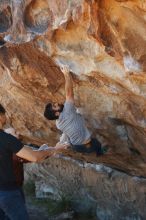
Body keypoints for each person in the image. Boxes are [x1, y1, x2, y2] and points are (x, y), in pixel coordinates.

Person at [0, 104, 65, 220]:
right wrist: (53, 149)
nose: (6, 117)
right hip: (7, 192)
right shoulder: (5, 138)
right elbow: (34, 157)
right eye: (4, 114)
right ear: (0, 116)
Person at [44, 66, 106, 155]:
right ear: (57, 113)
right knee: (97, 144)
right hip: (87, 145)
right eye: (55, 106)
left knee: (88, 149)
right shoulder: (67, 111)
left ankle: (96, 154)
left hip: (76, 147)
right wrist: (67, 74)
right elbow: (69, 93)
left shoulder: (58, 124)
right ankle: (100, 152)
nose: (57, 103)